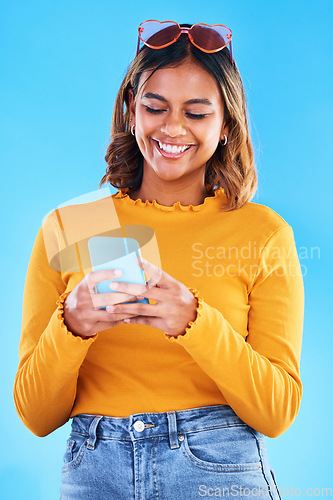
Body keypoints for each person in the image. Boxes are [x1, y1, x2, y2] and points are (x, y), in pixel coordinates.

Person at [14, 20, 304, 499]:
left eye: (196, 113)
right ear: (132, 110)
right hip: (95, 473)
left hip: (219, 471)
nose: (172, 128)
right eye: (155, 107)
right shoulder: (70, 226)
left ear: (226, 124)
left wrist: (196, 319)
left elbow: (276, 412)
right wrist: (71, 325)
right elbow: (36, 416)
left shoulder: (263, 233)